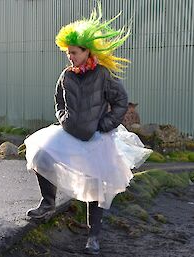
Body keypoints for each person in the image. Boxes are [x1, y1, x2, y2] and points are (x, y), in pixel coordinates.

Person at [24, 2, 152, 255]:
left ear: (87, 52)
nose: (70, 56)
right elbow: (58, 99)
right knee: (40, 154)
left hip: (97, 137)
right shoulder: (66, 75)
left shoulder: (103, 75)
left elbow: (120, 102)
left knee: (97, 186)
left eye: (74, 52)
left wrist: (105, 124)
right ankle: (48, 203)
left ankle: (93, 236)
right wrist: (63, 118)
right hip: (69, 132)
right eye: (68, 52)